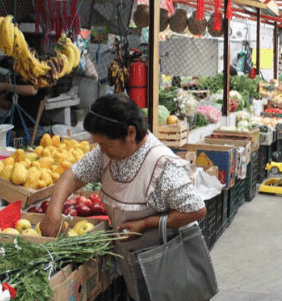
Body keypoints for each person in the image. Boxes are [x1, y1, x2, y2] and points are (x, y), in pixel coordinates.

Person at [40, 94, 206, 300]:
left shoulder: (162, 165)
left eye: (105, 144)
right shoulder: (106, 156)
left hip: (168, 268)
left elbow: (197, 210)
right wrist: (54, 212)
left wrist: (145, 223)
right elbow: (72, 176)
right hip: (135, 266)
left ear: (130, 133)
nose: (101, 150)